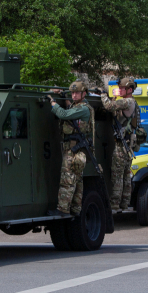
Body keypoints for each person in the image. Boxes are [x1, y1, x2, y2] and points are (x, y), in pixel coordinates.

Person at [47, 80, 95, 217]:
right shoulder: (78, 106)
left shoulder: (84, 108)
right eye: (72, 93)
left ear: (84, 93)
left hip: (74, 150)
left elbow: (64, 114)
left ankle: (62, 209)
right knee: (77, 180)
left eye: (77, 93)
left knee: (67, 179)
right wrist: (62, 95)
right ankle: (75, 209)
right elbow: (70, 108)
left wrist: (53, 103)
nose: (74, 95)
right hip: (76, 150)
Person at [100, 77, 139, 211]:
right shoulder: (133, 102)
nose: (120, 90)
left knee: (117, 174)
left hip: (122, 145)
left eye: (122, 88)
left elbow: (109, 106)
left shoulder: (127, 101)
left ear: (130, 89)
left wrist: (103, 94)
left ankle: (115, 203)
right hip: (128, 145)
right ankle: (124, 202)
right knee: (125, 174)